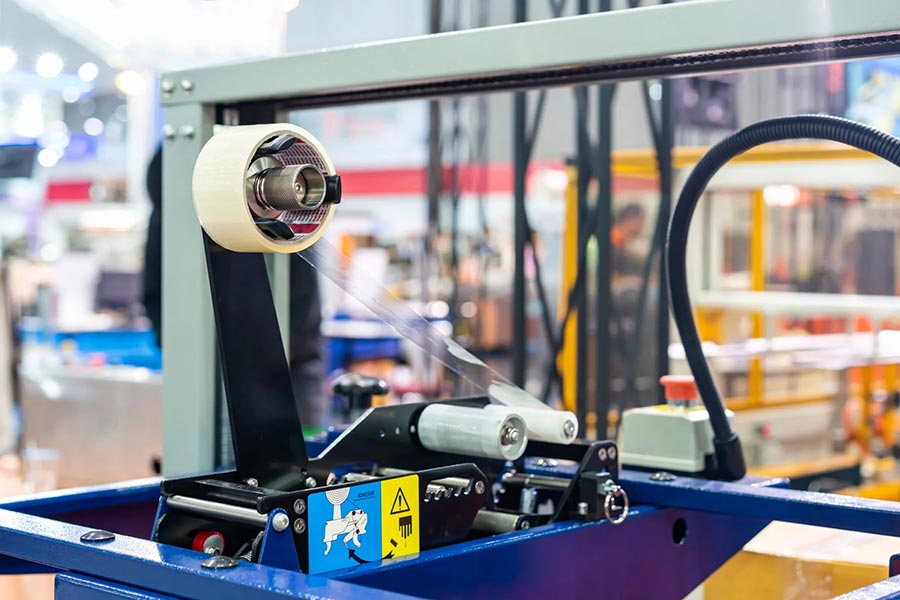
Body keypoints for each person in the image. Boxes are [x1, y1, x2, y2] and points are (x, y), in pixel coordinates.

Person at [141, 147, 326, 427]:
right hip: (203, 382)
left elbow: (302, 316)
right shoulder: (172, 207)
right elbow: (155, 296)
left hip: (282, 383)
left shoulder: (279, 218)